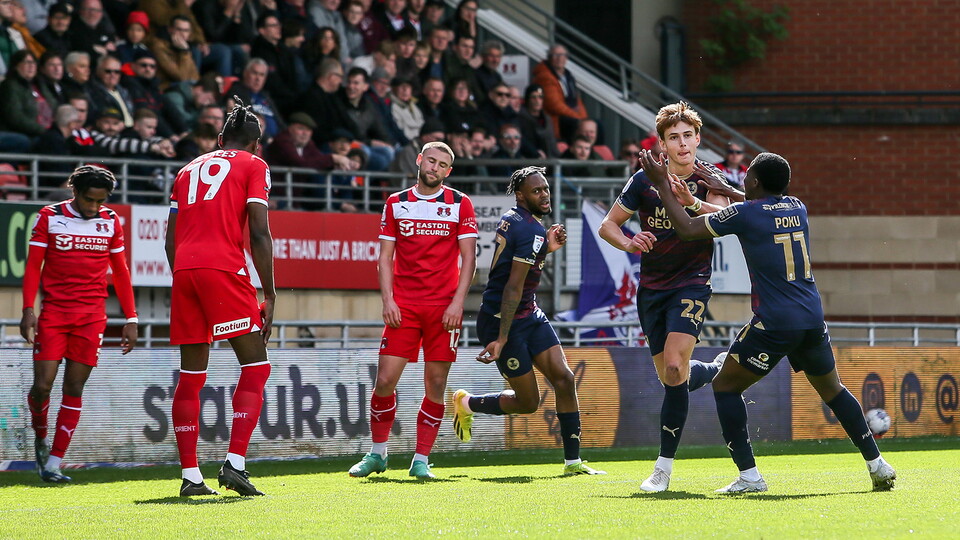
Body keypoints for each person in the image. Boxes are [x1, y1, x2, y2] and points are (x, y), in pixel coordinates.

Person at [638, 149, 897, 493]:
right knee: (834, 390)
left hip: (775, 323)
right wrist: (727, 189)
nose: (743, 179)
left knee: (726, 387)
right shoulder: (797, 207)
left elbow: (686, 229)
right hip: (811, 318)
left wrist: (662, 186)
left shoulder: (747, 213)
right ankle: (878, 465)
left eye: (747, 176)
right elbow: (756, 209)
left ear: (755, 181)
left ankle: (749, 477)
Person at [597, 101, 730, 493]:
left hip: (692, 282)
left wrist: (691, 202)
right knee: (674, 377)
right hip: (652, 289)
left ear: (698, 138)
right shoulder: (644, 180)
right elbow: (608, 226)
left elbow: (721, 220)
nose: (683, 143)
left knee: (674, 368)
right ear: (663, 144)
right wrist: (629, 241)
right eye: (674, 137)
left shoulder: (709, 177)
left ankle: (663, 468)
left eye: (688, 135)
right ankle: (713, 369)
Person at [451, 166, 612, 475]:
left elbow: (519, 274)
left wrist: (545, 250)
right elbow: (512, 287)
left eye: (546, 189)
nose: (544, 195)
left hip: (529, 314)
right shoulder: (530, 229)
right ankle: (467, 403)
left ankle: (573, 462)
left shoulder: (519, 221)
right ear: (521, 195)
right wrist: (501, 337)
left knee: (564, 379)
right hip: (503, 320)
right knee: (528, 403)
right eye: (537, 191)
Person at [164, 98, 276, 497]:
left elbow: (169, 238)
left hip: (184, 272)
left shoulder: (187, 168)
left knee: (192, 377)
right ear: (256, 144)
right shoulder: (254, 165)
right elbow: (259, 234)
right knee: (256, 366)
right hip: (223, 270)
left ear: (219, 138)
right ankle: (235, 464)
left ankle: (191, 476)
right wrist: (270, 292)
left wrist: (185, 274)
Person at [348, 141, 478, 479]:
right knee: (385, 380)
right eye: (430, 161)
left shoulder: (460, 204)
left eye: (442, 165)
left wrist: (457, 303)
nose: (434, 168)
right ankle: (377, 454)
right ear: (420, 161)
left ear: (449, 171)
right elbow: (384, 259)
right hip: (403, 307)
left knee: (435, 384)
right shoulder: (396, 202)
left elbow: (469, 260)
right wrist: (388, 300)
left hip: (444, 309)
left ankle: (421, 460)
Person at [21, 165, 139, 484]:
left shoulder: (110, 221)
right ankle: (41, 436)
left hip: (91, 317)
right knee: (42, 386)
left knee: (74, 387)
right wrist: (27, 309)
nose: (93, 208)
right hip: (55, 314)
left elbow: (122, 272)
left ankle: (54, 463)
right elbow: (33, 265)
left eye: (99, 202)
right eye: (88, 200)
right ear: (75, 192)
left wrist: (131, 318)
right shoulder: (49, 216)